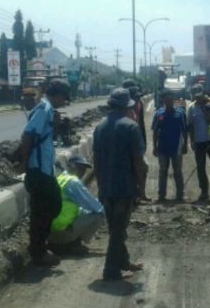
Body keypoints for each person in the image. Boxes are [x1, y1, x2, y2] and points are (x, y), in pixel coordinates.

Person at [93, 88, 146, 281]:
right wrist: (141, 185)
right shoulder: (131, 127)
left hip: (106, 186)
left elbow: (96, 161)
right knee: (118, 230)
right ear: (126, 107)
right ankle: (111, 270)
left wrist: (100, 186)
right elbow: (138, 160)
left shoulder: (99, 127)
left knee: (116, 227)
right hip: (124, 187)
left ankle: (123, 261)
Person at [19, 79, 71, 267]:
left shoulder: (48, 110)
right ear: (58, 95)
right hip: (38, 170)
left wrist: (56, 126)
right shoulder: (44, 109)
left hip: (44, 169)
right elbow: (28, 135)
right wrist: (25, 164)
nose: (64, 103)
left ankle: (38, 247)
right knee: (46, 208)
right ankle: (38, 251)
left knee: (46, 208)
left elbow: (42, 135)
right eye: (64, 99)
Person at [49, 155, 105, 255]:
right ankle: (72, 245)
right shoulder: (73, 182)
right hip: (61, 233)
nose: (83, 171)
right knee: (99, 215)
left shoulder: (61, 178)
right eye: (80, 168)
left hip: (49, 232)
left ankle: (62, 244)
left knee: (83, 210)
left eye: (84, 169)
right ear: (72, 166)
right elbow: (95, 206)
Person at [152, 89, 187, 202]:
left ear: (173, 101)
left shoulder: (180, 113)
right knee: (163, 171)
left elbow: (184, 131)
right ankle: (161, 195)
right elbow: (155, 131)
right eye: (167, 100)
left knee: (178, 171)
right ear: (164, 101)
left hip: (177, 148)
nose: (169, 102)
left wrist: (185, 144)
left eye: (170, 100)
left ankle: (180, 195)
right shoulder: (159, 114)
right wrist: (154, 146)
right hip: (162, 148)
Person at [186, 84, 210, 201]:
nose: (198, 99)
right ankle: (204, 191)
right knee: (200, 168)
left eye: (199, 96)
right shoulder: (191, 108)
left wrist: (206, 112)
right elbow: (190, 126)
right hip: (199, 142)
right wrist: (192, 141)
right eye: (196, 97)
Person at [123, 79, 150, 202]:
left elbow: (142, 123)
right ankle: (133, 194)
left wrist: (144, 141)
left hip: (138, 140)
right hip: (126, 143)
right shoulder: (122, 108)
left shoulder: (139, 104)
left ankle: (141, 193)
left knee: (143, 167)